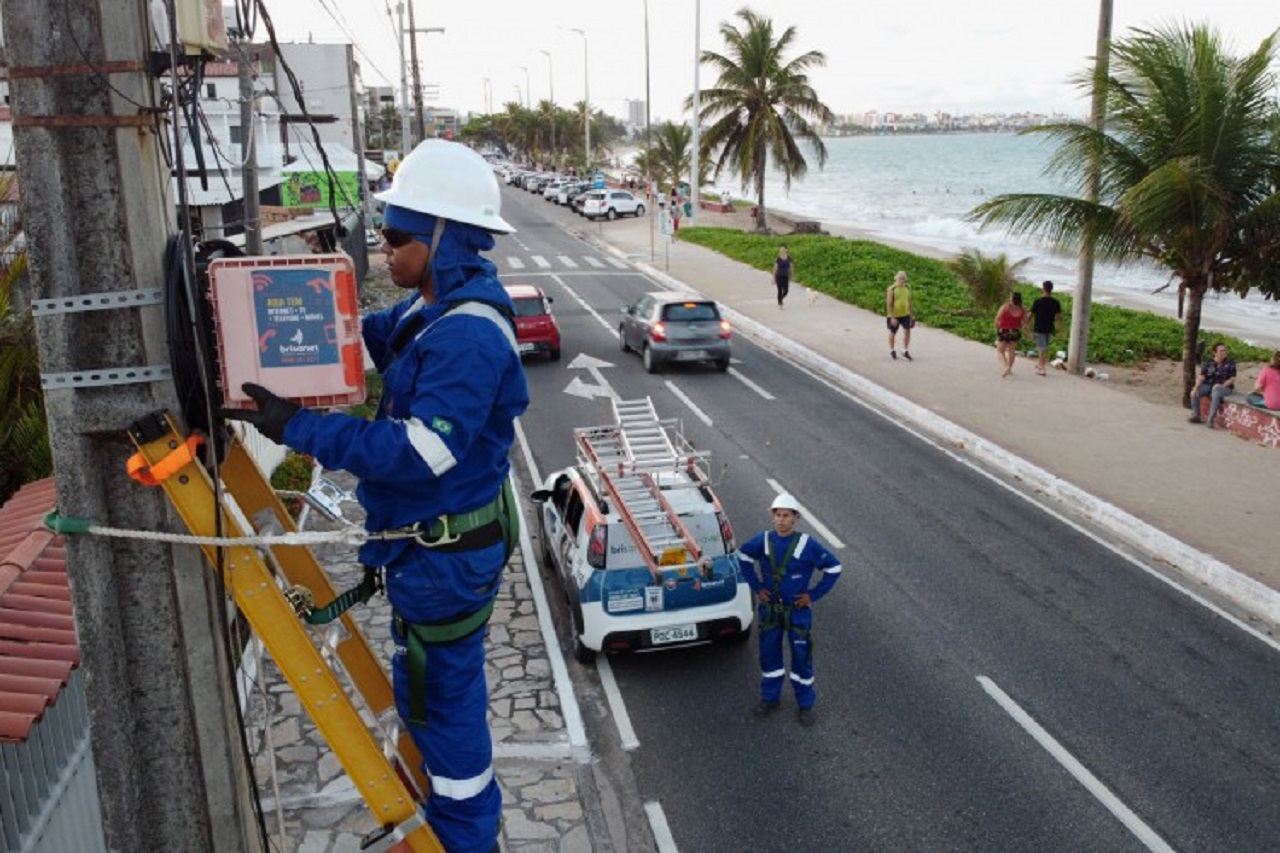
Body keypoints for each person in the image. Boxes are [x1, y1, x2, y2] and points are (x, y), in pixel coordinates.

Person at [222, 139, 529, 852]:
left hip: (447, 555)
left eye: (395, 236)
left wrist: (297, 426)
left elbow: (421, 451)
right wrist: (265, 327)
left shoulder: (469, 337)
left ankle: (463, 836)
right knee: (427, 688)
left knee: (445, 705)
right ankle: (449, 810)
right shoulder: (431, 311)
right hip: (433, 550)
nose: (382, 247)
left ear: (443, 239)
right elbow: (356, 341)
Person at [736, 494, 842, 727]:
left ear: (795, 518)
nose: (781, 520)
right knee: (768, 655)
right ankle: (770, 698)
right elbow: (742, 556)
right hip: (771, 612)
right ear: (772, 517)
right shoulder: (762, 541)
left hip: (797, 613)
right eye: (777, 515)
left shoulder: (808, 544)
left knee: (802, 658)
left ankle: (805, 705)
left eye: (786, 516)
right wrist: (757, 586)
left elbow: (834, 567)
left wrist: (813, 595)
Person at [1189, 341, 1236, 427]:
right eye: (1221, 351)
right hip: (1209, 384)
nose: (1224, 352)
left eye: (1225, 350)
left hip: (1224, 387)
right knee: (1195, 392)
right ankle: (1196, 415)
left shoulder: (1230, 363)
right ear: (1214, 352)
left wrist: (1222, 386)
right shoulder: (1208, 363)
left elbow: (1232, 378)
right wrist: (1195, 387)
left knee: (1215, 391)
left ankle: (1210, 420)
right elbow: (1202, 376)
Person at [1028, 280, 1063, 377]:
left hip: (1039, 328)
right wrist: (1061, 330)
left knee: (1041, 348)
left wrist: (1026, 325)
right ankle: (1040, 364)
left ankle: (1042, 369)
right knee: (1044, 347)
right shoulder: (1056, 302)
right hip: (1049, 328)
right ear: (1051, 289)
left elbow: (1030, 315)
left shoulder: (1038, 301)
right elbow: (1059, 317)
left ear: (1043, 289)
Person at [994, 291, 1028, 377]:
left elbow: (997, 318)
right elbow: (1026, 322)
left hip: (1004, 330)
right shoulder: (1023, 309)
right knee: (1011, 351)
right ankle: (1009, 368)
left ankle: (1006, 367)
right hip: (1015, 331)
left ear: (1012, 298)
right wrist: (1028, 332)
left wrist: (997, 328)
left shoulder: (1005, 306)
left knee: (1000, 351)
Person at [885, 270, 914, 360]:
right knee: (893, 332)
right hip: (894, 315)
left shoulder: (907, 288)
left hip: (905, 314)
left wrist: (912, 315)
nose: (902, 280)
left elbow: (909, 302)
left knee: (907, 331)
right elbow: (889, 304)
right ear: (896, 278)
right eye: (900, 278)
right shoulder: (891, 289)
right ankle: (892, 350)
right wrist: (892, 317)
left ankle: (905, 350)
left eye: (903, 278)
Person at [773, 245, 793, 309]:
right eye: (781, 249)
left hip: (786, 276)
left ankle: (780, 299)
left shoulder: (789, 258)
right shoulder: (778, 259)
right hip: (779, 276)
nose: (782, 250)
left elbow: (791, 268)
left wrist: (791, 275)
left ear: (786, 250)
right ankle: (780, 303)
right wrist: (774, 278)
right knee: (779, 290)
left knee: (786, 290)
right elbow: (775, 268)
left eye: (783, 249)